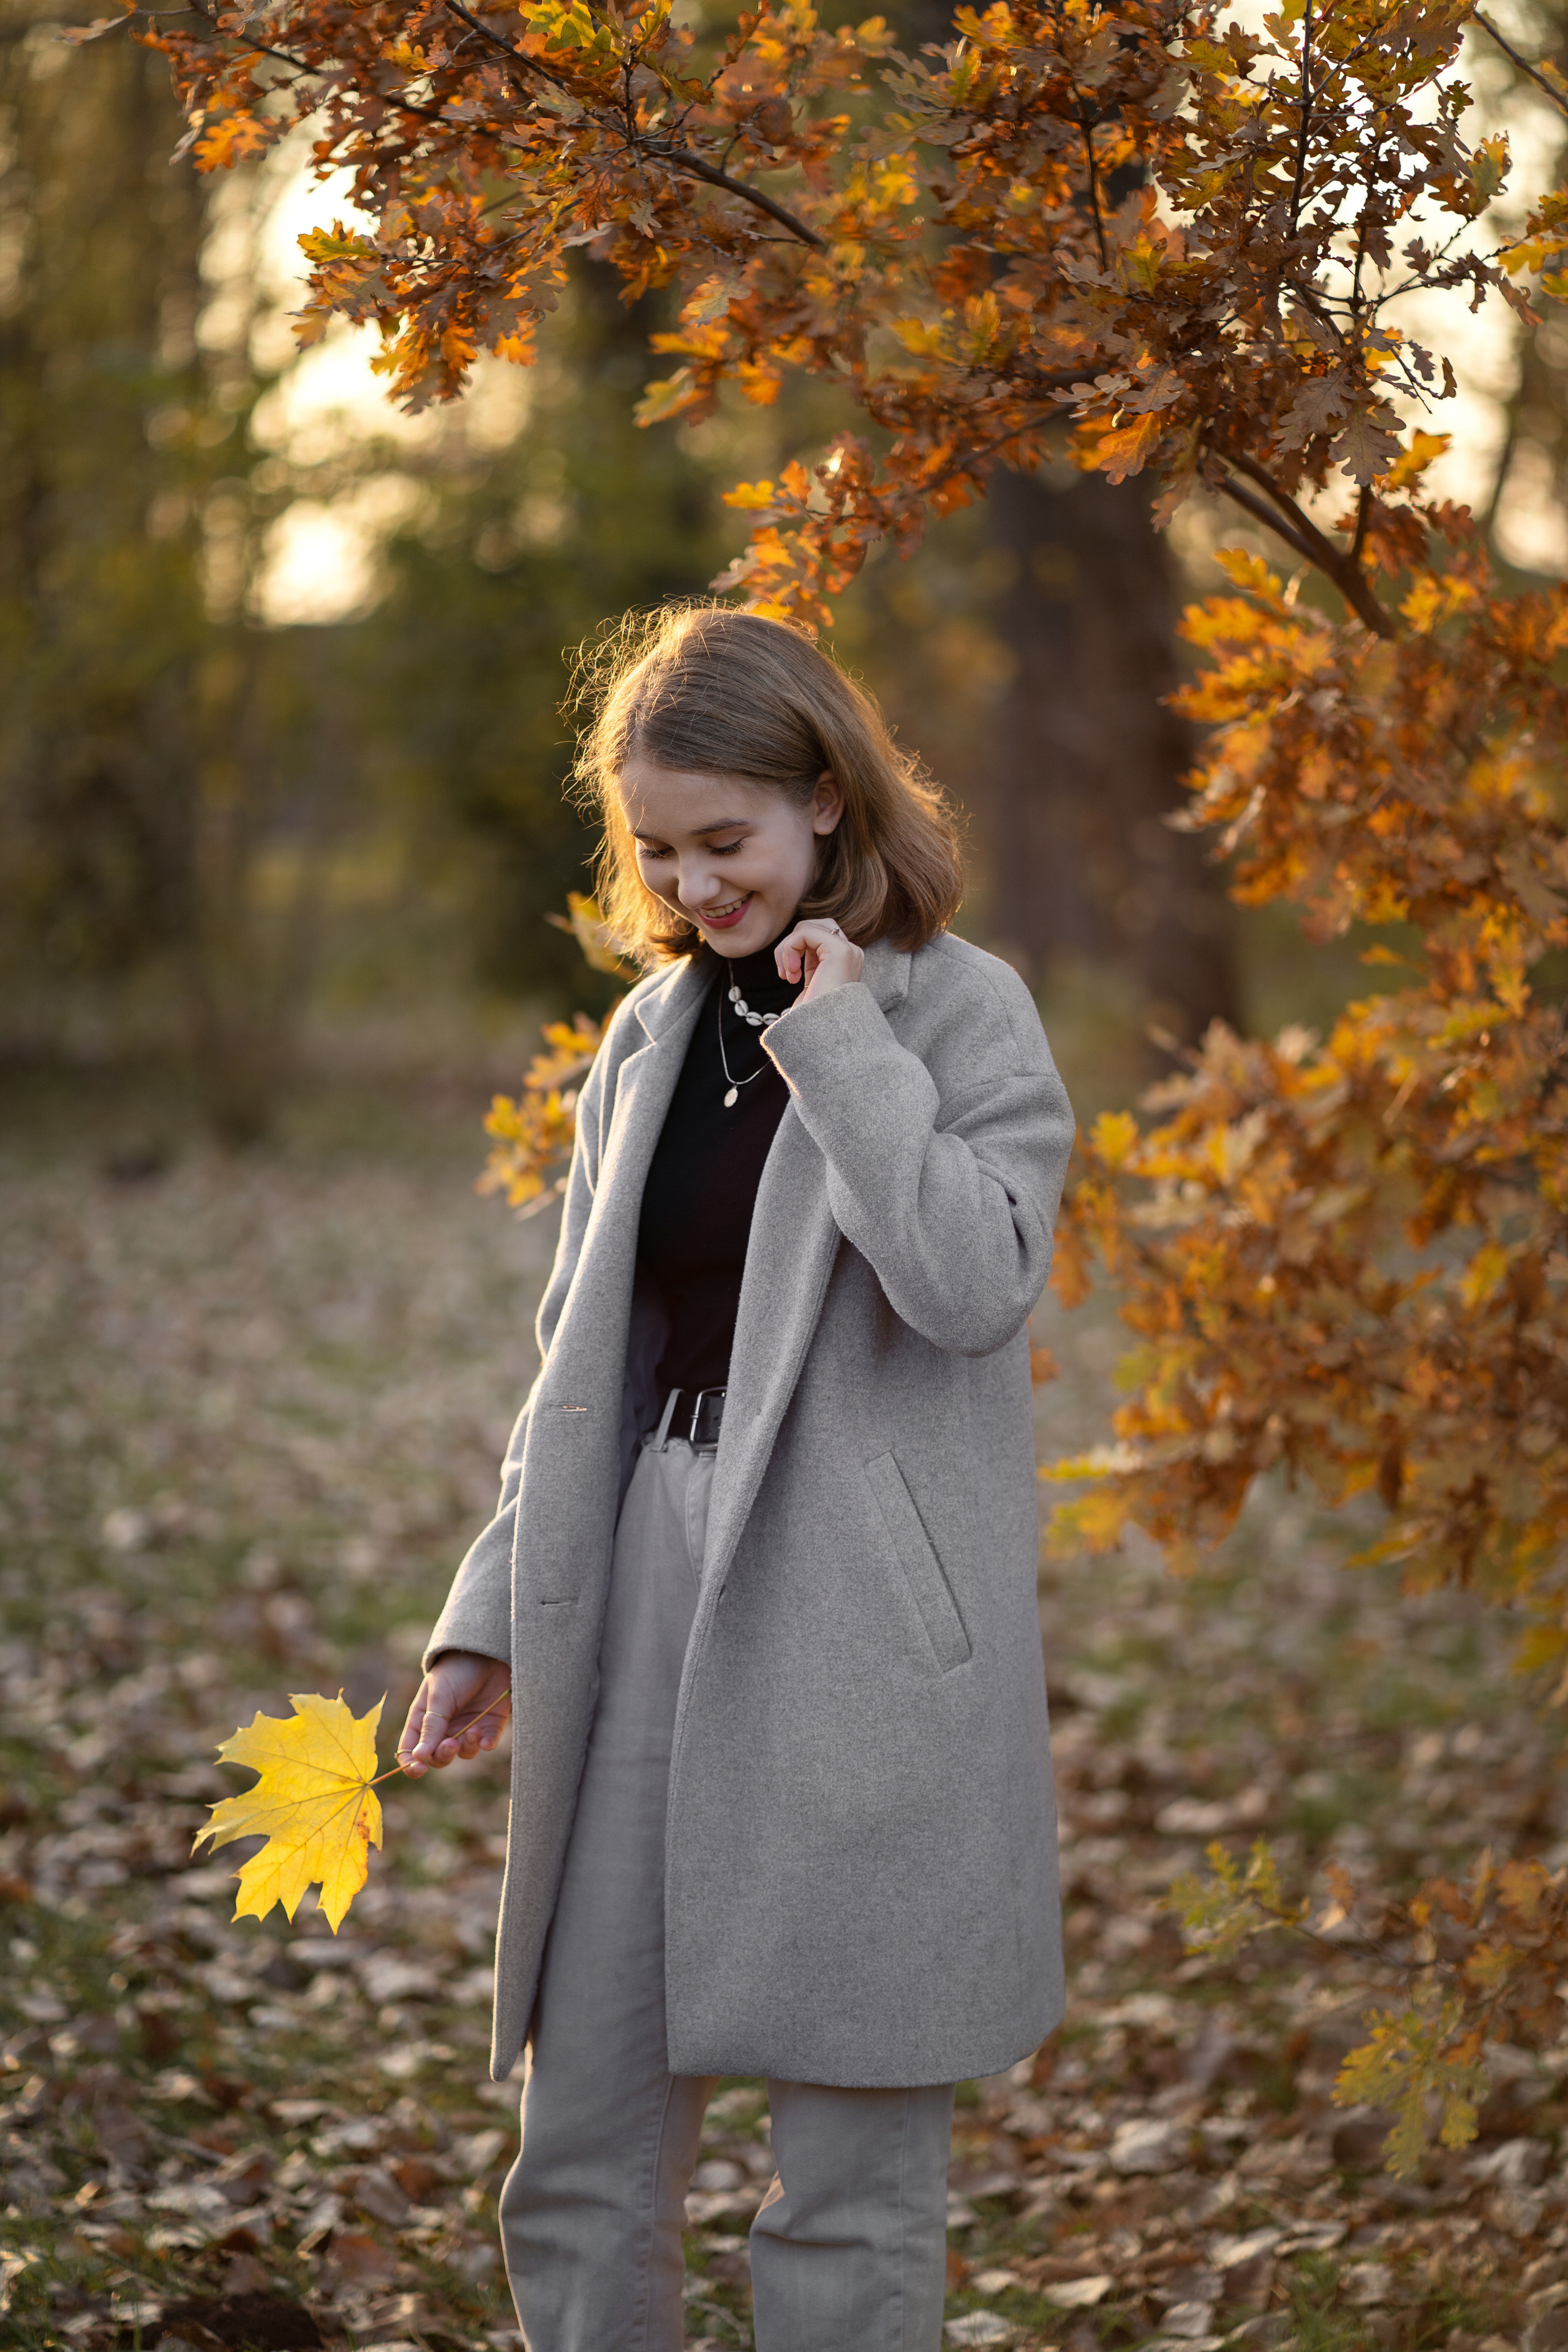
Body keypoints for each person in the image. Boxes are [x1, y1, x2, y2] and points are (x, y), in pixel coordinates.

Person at [396, 605, 1076, 2352]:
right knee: (584, 2140)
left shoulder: (965, 1014)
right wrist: (487, 1622)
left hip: (863, 1615)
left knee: (846, 2193)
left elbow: (973, 1284)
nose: (696, 887)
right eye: (661, 850)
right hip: (636, 1580)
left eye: (729, 842)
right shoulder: (641, 1042)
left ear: (829, 802)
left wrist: (843, 1045)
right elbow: (575, 1364)